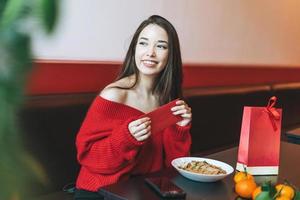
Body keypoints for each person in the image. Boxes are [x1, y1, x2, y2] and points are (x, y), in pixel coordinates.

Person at [74, 15, 192, 200]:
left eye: (160, 46)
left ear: (171, 54)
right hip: (101, 192)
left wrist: (180, 129)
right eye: (143, 43)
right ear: (134, 48)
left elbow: (173, 165)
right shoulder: (114, 95)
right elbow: (88, 157)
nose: (150, 53)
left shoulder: (167, 100)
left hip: (144, 190)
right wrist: (126, 138)